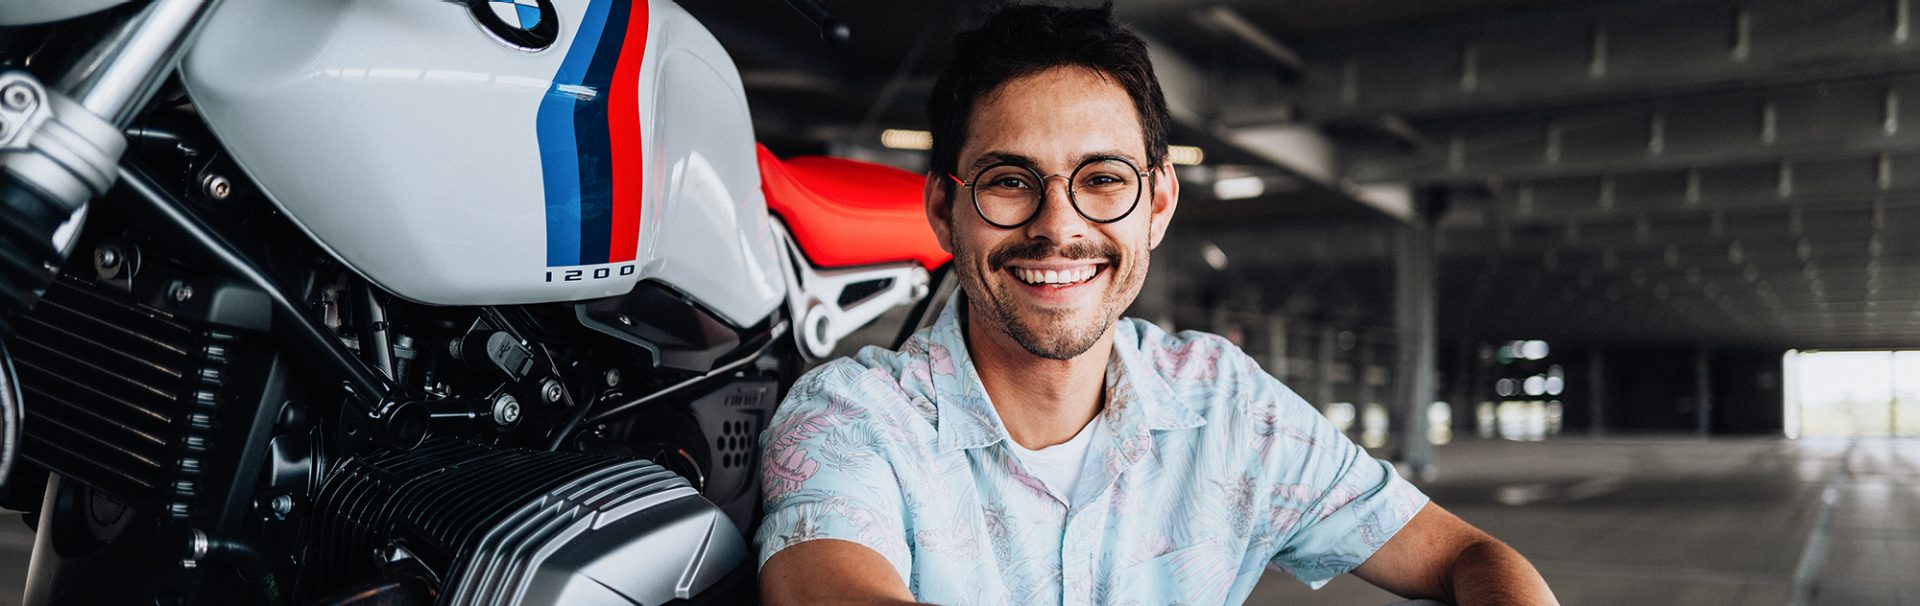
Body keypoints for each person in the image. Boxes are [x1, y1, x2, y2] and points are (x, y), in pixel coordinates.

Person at [755, 5, 1558, 604]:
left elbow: (1470, 558)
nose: (1059, 226)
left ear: (1159, 204)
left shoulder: (1226, 407)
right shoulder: (851, 420)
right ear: (944, 209)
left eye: (1103, 179)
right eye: (1010, 181)